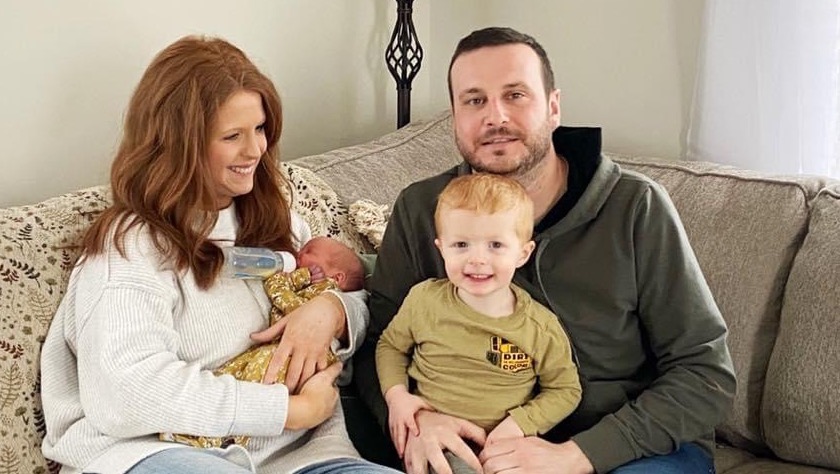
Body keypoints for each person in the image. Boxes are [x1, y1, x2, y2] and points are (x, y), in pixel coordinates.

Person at [355, 26, 737, 474]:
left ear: (553, 107)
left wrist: (579, 455)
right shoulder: (422, 209)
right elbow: (378, 340)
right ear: (454, 117)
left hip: (632, 447)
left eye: (515, 95)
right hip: (473, 444)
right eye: (474, 100)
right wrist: (415, 420)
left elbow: (705, 373)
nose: (495, 116)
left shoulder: (636, 207)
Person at [39, 35, 401, 474]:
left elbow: (366, 300)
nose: (255, 150)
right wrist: (287, 411)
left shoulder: (281, 224)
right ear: (179, 145)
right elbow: (128, 391)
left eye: (260, 129)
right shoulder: (131, 248)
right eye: (232, 136)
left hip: (300, 457)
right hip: (155, 452)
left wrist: (334, 311)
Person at [376, 173, 581, 474]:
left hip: (505, 448)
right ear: (441, 248)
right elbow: (390, 346)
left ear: (523, 253)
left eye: (495, 245)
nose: (477, 259)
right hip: (432, 442)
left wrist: (520, 424)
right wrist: (397, 397)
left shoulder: (540, 327)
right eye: (461, 244)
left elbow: (565, 389)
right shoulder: (424, 301)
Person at [160, 236, 366, 450]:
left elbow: (290, 301)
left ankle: (207, 437)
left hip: (306, 418)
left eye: (308, 251)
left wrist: (334, 308)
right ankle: (200, 435)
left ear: (338, 277)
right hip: (276, 406)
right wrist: (299, 410)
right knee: (235, 375)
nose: (299, 252)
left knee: (252, 378)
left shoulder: (318, 286)